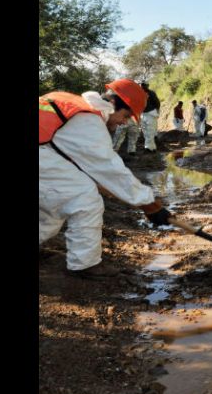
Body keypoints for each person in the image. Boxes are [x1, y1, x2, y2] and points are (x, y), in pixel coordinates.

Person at [39, 78, 173, 279]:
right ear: (112, 104)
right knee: (84, 198)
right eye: (125, 115)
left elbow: (73, 161)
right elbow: (110, 169)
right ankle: (85, 264)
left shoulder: (70, 104)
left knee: (53, 206)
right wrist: (148, 203)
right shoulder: (88, 120)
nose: (123, 122)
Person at [140, 82, 160, 152]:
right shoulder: (139, 93)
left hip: (150, 113)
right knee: (145, 132)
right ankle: (152, 148)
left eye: (145, 85)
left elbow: (157, 103)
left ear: (147, 86)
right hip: (143, 114)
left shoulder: (151, 93)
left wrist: (157, 110)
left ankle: (148, 148)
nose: (143, 86)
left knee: (150, 132)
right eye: (142, 85)